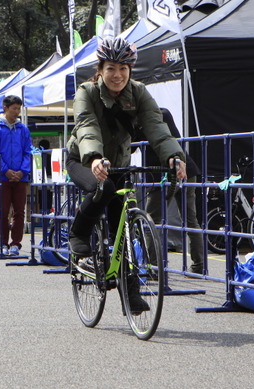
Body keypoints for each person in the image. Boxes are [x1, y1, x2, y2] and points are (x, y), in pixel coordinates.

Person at [66, 37, 187, 312]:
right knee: (105, 189)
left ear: (131, 69)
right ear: (101, 69)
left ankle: (130, 292)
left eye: (123, 68)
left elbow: (156, 126)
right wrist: (95, 157)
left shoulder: (139, 92)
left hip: (117, 163)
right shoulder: (87, 92)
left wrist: (174, 156)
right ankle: (79, 235)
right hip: (83, 160)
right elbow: (86, 125)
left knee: (122, 226)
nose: (117, 75)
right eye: (110, 68)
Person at [145, 108, 204, 274]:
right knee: (190, 218)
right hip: (186, 169)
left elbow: (132, 144)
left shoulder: (147, 119)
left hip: (163, 172)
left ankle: (154, 267)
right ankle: (199, 265)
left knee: (152, 219)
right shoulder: (164, 114)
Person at [0, 95, 32, 256]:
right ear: (6, 109)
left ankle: (16, 244)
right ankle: (3, 243)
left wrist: (22, 171)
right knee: (3, 211)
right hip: (1, 177)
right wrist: (5, 170)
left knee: (20, 211)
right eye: (14, 108)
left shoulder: (23, 129)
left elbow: (29, 152)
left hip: (20, 177)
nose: (17, 112)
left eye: (19, 109)